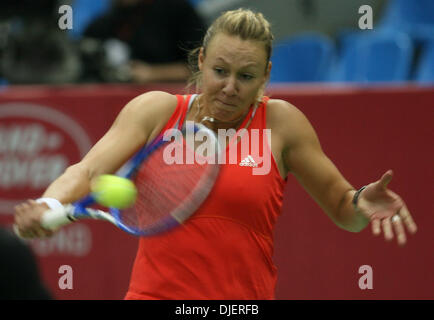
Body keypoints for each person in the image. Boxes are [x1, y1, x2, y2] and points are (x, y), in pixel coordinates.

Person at [14, 9, 417, 300]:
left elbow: (342, 208)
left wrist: (363, 201)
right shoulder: (156, 111)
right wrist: (51, 202)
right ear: (202, 61)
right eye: (220, 71)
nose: (229, 87)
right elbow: (87, 170)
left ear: (266, 76)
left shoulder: (282, 124)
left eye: (245, 77)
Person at [82, 0, 206, 83]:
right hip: (113, 102)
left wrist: (153, 73)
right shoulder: (102, 23)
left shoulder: (177, 11)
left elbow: (203, 68)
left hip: (173, 100)